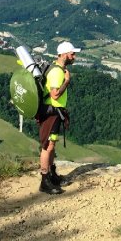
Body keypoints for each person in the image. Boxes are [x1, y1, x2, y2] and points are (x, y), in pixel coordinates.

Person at [36, 40, 80, 194]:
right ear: (63, 54)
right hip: (51, 113)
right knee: (47, 146)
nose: (74, 56)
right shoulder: (57, 72)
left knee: (52, 145)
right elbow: (55, 94)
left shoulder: (58, 69)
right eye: (72, 53)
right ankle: (44, 180)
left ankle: (51, 174)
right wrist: (67, 81)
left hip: (55, 113)